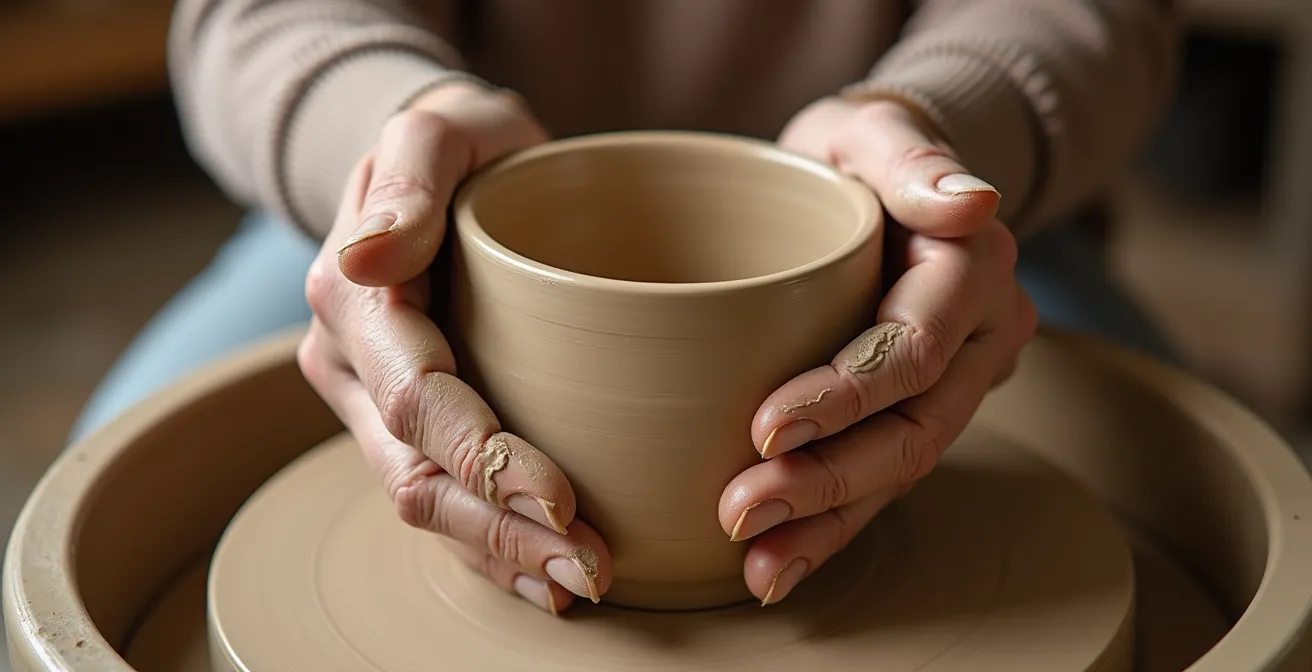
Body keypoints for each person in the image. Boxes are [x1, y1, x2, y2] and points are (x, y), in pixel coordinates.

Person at [74, 1, 1180, 613]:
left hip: (917, 219)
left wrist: (939, 128)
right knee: (96, 517)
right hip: (431, 194)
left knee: (1210, 516)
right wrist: (387, 129)